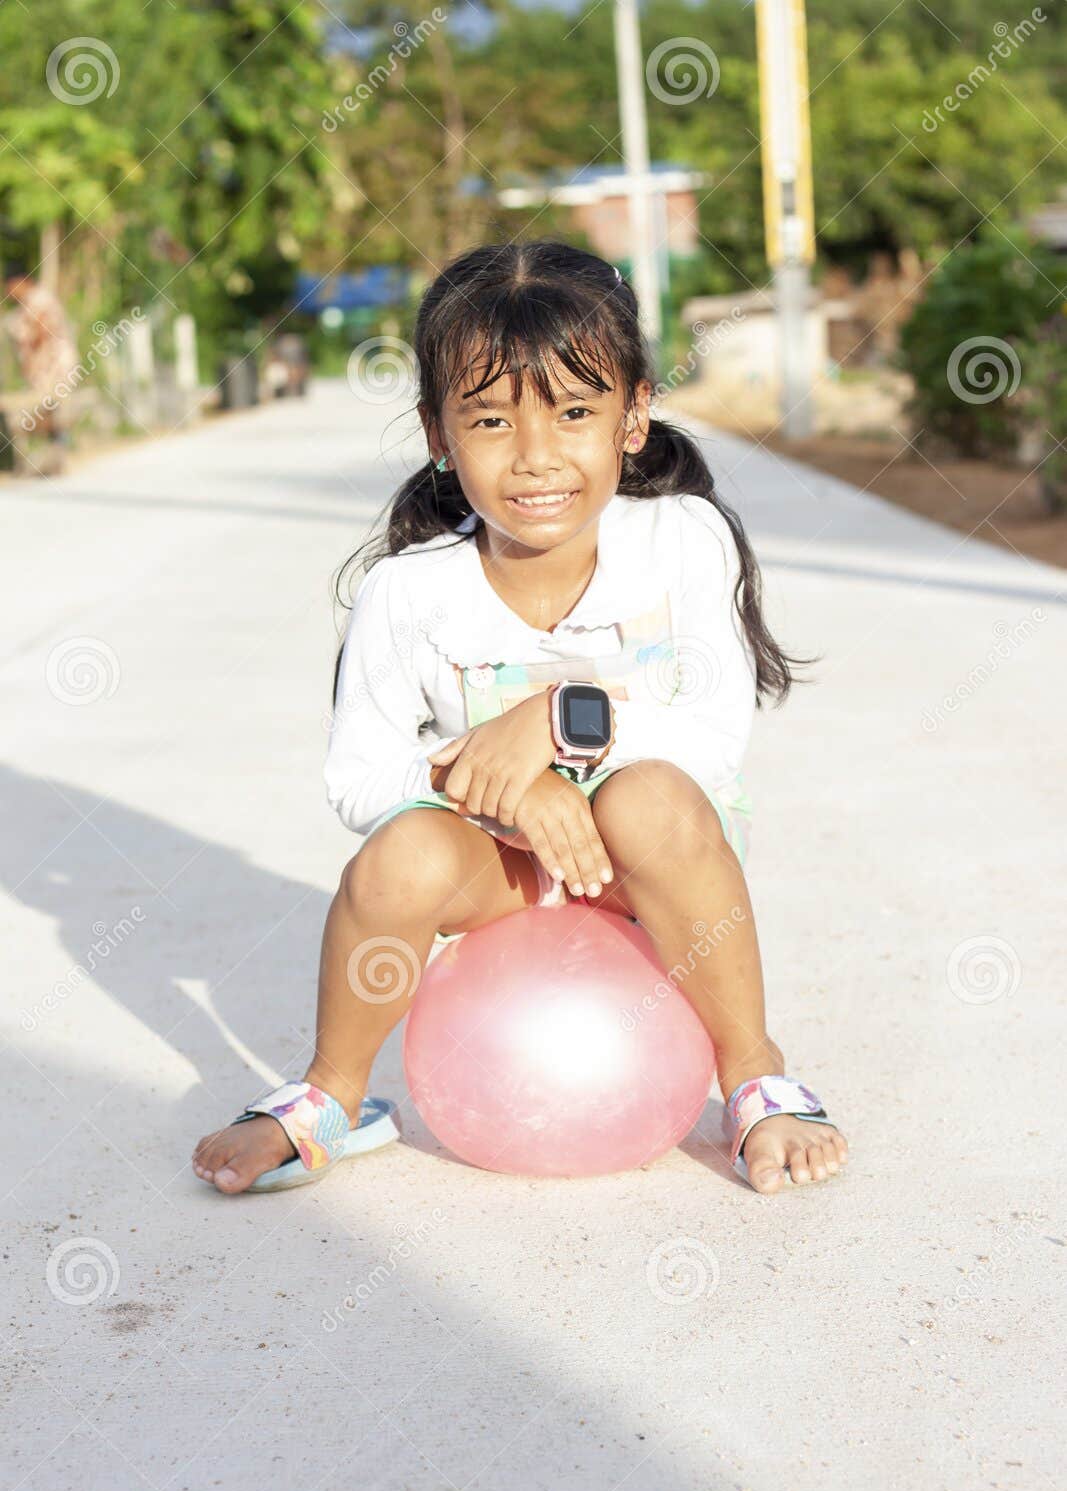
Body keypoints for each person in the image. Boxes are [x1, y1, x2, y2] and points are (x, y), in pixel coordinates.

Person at [192, 240, 849, 1197]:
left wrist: (556, 721)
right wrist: (500, 783)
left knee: (650, 800)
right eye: (490, 420)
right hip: (501, 873)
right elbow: (358, 780)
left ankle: (753, 1074)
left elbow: (710, 746)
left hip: (647, 871)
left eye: (575, 413)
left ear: (633, 416)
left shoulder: (679, 540)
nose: (536, 458)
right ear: (437, 434)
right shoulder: (407, 594)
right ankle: (330, 1096)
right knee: (397, 858)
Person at [2, 267, 79, 473]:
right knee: (46, 413)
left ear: (21, 281)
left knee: (50, 413)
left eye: (10, 286)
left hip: (55, 368)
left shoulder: (40, 300)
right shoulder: (27, 304)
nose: (9, 291)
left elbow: (40, 331)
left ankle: (56, 457)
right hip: (44, 371)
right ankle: (51, 459)